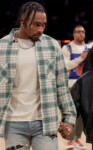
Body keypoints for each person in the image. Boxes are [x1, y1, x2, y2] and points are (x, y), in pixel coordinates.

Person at [0, 2, 77, 150]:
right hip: (13, 123)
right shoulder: (1, 47)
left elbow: (61, 86)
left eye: (43, 25)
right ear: (22, 21)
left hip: (45, 122)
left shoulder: (52, 45)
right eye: (36, 24)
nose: (40, 29)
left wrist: (69, 118)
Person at [62, 25, 87, 149]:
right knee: (70, 113)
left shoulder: (88, 48)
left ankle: (77, 138)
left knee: (82, 114)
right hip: (70, 85)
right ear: (73, 34)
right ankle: (70, 139)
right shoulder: (67, 48)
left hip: (85, 85)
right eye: (78, 32)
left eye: (83, 32)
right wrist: (80, 59)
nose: (81, 34)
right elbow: (65, 66)